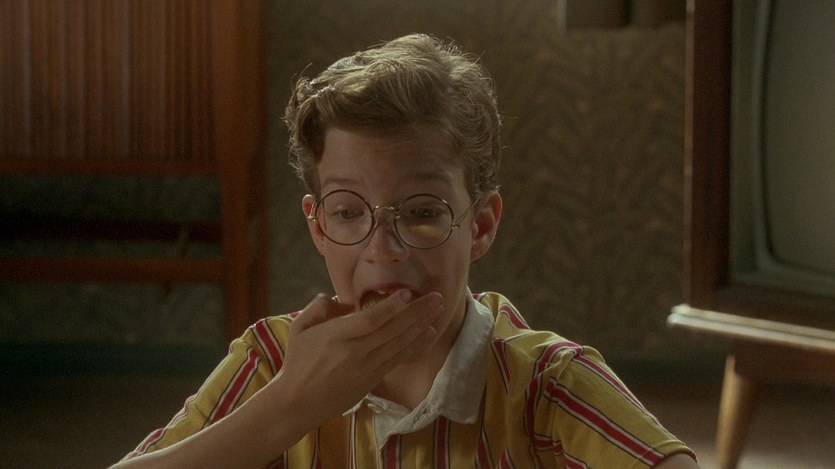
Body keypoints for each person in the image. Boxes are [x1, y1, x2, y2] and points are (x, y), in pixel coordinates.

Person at [113, 33, 699, 468]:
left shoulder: (546, 384)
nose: (383, 249)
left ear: (481, 225)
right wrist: (291, 405)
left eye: (421, 213)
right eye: (348, 212)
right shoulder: (273, 362)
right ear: (318, 227)